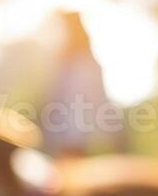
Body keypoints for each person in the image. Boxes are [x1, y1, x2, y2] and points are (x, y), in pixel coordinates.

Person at [42, 12, 119, 158]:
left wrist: (109, 131)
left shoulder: (88, 64)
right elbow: (53, 100)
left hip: (81, 133)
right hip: (64, 133)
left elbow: (99, 98)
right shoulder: (62, 64)